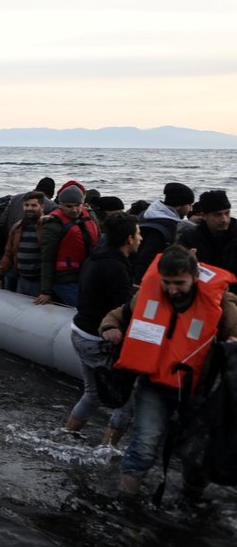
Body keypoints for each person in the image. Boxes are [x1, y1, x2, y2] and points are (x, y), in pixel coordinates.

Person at [100, 245, 237, 498]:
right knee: (143, 445)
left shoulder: (221, 301)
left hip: (197, 391)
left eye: (179, 283)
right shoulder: (147, 295)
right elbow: (117, 315)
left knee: (197, 452)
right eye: (167, 283)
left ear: (195, 278)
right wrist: (109, 327)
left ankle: (191, 499)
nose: (172, 289)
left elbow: (234, 331)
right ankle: (123, 500)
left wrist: (233, 343)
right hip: (154, 386)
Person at [64, 213, 141, 445]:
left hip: (79, 331)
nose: (141, 238)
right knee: (127, 402)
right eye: (139, 234)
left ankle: (67, 436)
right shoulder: (115, 266)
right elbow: (124, 308)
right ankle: (106, 452)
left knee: (93, 394)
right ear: (129, 239)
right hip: (99, 341)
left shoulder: (97, 257)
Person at [35, 184, 100, 306]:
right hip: (65, 279)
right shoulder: (53, 224)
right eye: (69, 206)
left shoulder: (90, 217)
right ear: (61, 205)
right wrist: (46, 291)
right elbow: (47, 259)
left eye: (77, 206)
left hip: (87, 275)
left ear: (83, 203)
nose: (74, 210)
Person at [132, 182, 195, 283]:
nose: (191, 209)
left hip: (131, 269)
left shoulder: (146, 213)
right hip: (146, 278)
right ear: (178, 205)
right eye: (189, 205)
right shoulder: (169, 225)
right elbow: (149, 259)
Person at [0, 191, 45, 297]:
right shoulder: (17, 227)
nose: (29, 208)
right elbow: (8, 254)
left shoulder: (47, 227)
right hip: (22, 279)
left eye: (34, 205)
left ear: (42, 207)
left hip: (39, 282)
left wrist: (47, 290)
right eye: (26, 205)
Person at [179, 190, 237, 291]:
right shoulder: (189, 239)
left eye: (227, 213)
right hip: (203, 293)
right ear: (204, 216)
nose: (224, 219)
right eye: (217, 215)